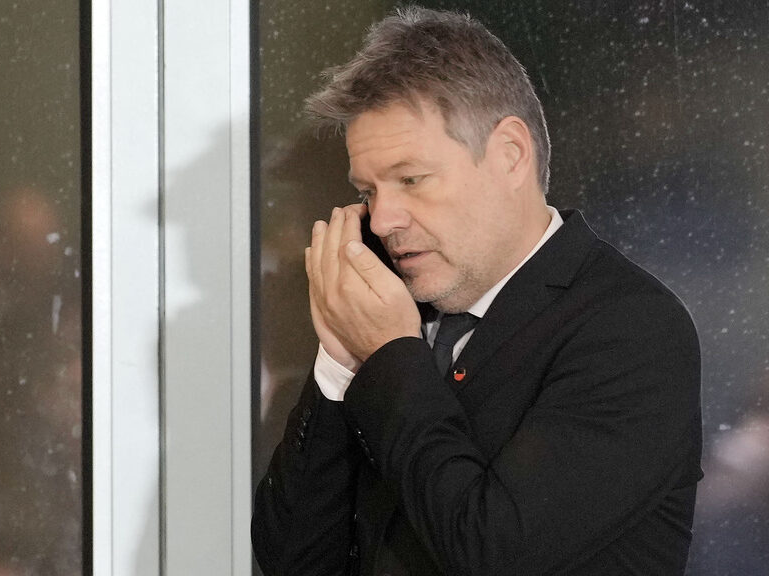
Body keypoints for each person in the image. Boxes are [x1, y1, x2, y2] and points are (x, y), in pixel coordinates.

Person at [252, 7, 702, 576]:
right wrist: (342, 363)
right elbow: (291, 559)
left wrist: (390, 355)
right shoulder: (394, 312)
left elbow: (493, 553)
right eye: (368, 191)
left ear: (510, 155)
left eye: (411, 179)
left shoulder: (631, 329)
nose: (383, 219)